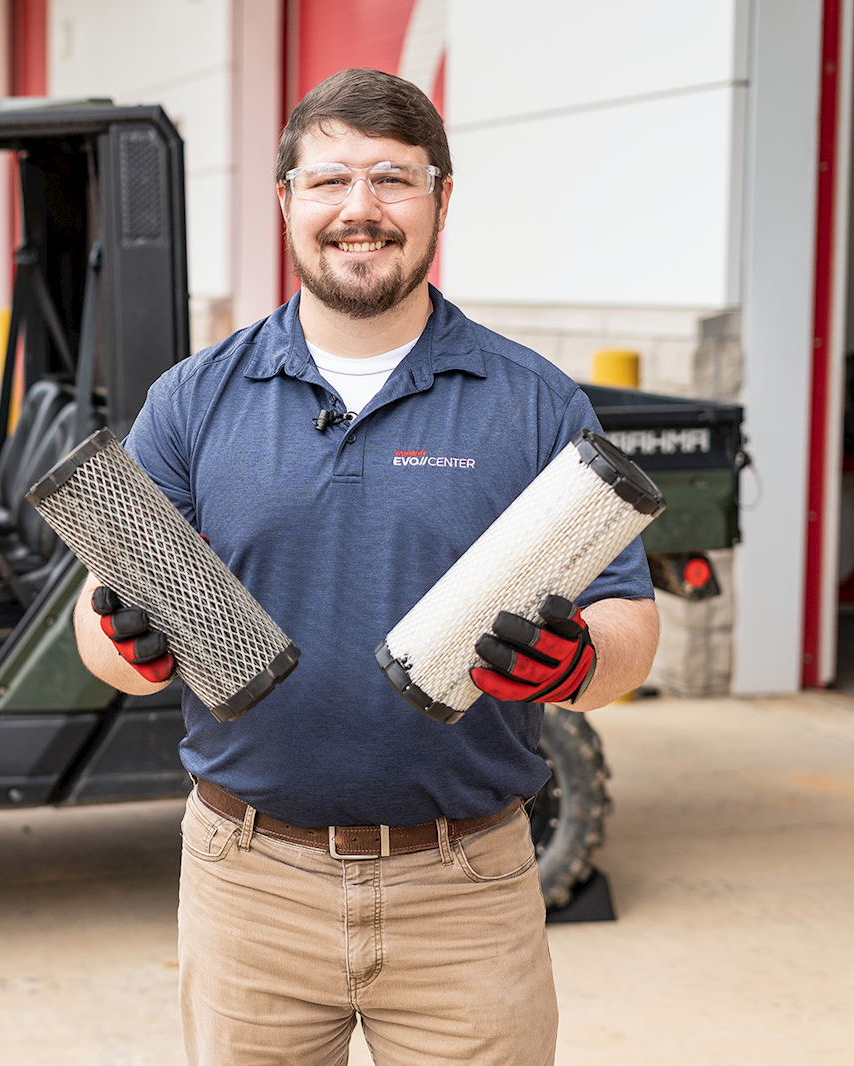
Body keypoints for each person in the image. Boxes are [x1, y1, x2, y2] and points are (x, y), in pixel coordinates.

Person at [73, 68, 658, 1066]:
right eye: (329, 179)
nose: (360, 209)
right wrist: (130, 640)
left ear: (441, 198)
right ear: (287, 201)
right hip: (248, 883)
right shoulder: (194, 400)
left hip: (466, 888)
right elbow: (101, 627)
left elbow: (628, 629)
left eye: (392, 179)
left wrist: (571, 663)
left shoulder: (534, 402)